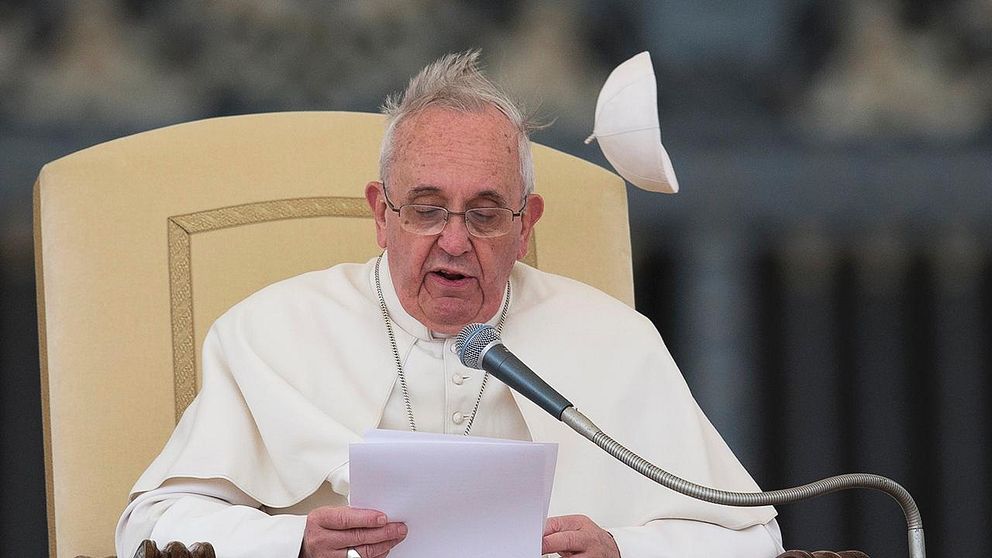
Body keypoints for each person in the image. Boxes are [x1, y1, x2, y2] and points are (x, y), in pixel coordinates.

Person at [116, 51, 785, 558]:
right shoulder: (270, 332)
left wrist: (623, 549)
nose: (455, 241)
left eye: (487, 214)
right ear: (382, 215)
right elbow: (147, 528)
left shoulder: (615, 341)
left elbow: (755, 541)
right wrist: (291, 543)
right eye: (428, 209)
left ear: (527, 226)